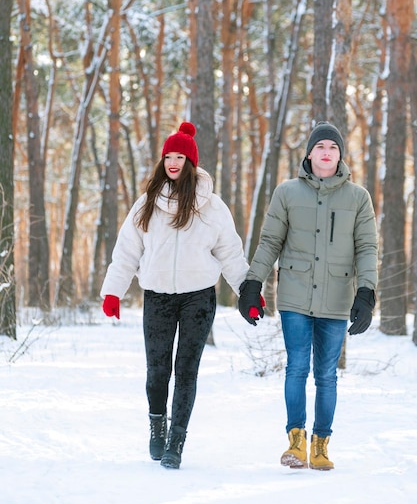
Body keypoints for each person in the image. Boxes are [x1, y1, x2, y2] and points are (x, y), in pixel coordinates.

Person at [101, 122, 251, 469]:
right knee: (157, 370)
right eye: (168, 156)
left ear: (191, 162)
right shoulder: (147, 203)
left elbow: (230, 254)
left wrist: (246, 291)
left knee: (186, 370)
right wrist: (113, 291)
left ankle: (176, 441)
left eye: (179, 157)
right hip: (157, 297)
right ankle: (157, 425)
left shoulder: (212, 207)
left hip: (198, 298)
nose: (172, 163)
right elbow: (126, 251)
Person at [238, 121, 378, 470]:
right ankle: (296, 441)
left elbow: (366, 247)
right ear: (310, 153)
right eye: (320, 147)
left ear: (340, 154)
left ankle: (320, 444)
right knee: (297, 367)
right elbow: (270, 241)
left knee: (327, 374)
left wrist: (367, 292)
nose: (326, 152)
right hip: (295, 295)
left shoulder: (358, 197)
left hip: (337, 296)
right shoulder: (287, 192)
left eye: (332, 147)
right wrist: (252, 283)